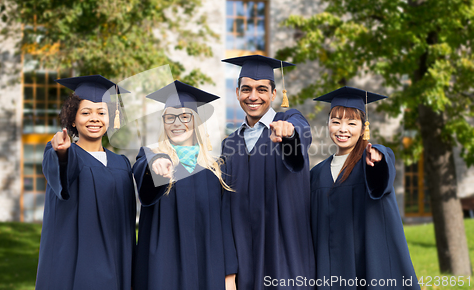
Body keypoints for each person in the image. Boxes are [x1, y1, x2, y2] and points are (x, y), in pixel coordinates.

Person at [310, 86, 420, 289]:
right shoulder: (316, 174)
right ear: (328, 125)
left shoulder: (370, 161)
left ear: (363, 128)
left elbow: (382, 174)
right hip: (331, 272)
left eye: (352, 123)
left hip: (367, 266)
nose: (343, 129)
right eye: (336, 122)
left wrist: (378, 158)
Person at [132, 80, 238, 290]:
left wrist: (229, 276)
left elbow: (225, 227)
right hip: (162, 270)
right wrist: (157, 164)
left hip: (207, 269)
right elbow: (141, 171)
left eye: (185, 116)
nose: (177, 123)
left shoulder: (215, 170)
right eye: (169, 117)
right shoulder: (151, 156)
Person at [220, 55, 315, 289]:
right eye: (246, 89)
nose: (253, 96)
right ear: (237, 92)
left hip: (285, 256)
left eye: (262, 89)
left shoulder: (289, 121)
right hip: (245, 263)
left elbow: (299, 135)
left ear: (274, 94)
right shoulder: (230, 144)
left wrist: (289, 134)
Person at [35, 75, 136, 290]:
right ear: (73, 119)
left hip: (118, 261)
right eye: (86, 112)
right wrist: (61, 153)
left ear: (110, 119)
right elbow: (62, 171)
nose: (94, 118)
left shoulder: (122, 164)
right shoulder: (66, 153)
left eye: (101, 112)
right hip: (79, 263)